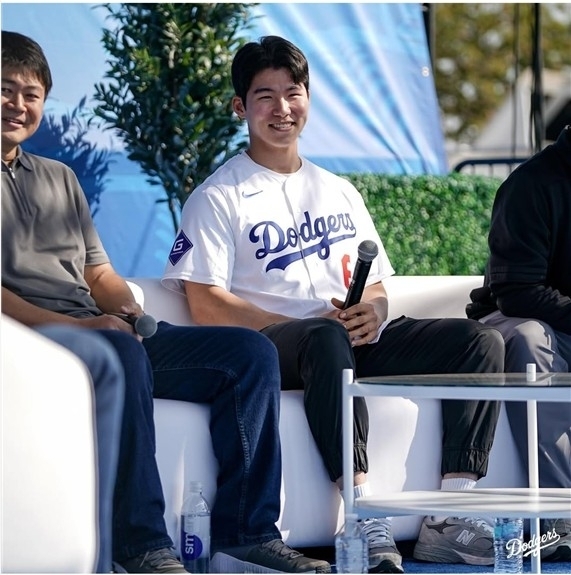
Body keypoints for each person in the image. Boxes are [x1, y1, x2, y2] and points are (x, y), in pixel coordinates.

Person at [162, 35, 507, 573]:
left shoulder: (339, 190)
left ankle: (452, 514)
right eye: (264, 96)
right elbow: (205, 302)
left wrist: (373, 311)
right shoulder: (218, 195)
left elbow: (374, 283)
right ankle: (363, 517)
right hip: (274, 349)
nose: (282, 108)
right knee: (323, 336)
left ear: (308, 98)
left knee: (480, 341)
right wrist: (298, 323)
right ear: (240, 107)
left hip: (347, 339)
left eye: (293, 93)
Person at [1, 30, 330, 574]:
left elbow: (98, 272)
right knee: (122, 353)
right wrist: (82, 328)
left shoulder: (59, 177)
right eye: (6, 90)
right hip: (34, 339)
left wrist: (128, 312)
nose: (18, 105)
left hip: (92, 330)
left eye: (31, 94)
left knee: (247, 355)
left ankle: (247, 535)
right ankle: (140, 546)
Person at [467, 124, 571, 562]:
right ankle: (559, 514)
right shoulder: (532, 183)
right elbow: (518, 291)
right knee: (530, 339)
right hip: (522, 316)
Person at [33, 325, 125, 573]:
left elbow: (100, 283)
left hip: (89, 322)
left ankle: (236, 542)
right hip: (30, 326)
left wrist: (127, 311)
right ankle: (128, 554)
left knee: (239, 349)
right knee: (112, 353)